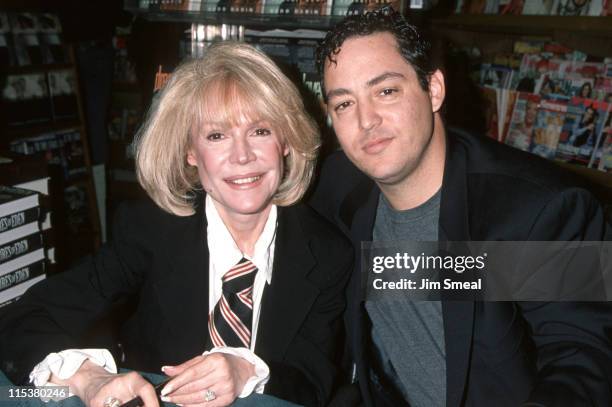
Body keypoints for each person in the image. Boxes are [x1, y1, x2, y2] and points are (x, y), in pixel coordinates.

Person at [0, 42, 352, 407]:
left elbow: (314, 384)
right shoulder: (149, 230)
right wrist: (89, 378)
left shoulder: (327, 254)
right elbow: (23, 318)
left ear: (286, 141)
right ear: (190, 153)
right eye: (217, 136)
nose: (243, 156)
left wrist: (247, 371)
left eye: (261, 130)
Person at [310, 7, 612, 407]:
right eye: (344, 104)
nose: (366, 120)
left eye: (386, 91)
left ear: (434, 89)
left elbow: (585, 358)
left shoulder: (542, 209)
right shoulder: (336, 187)